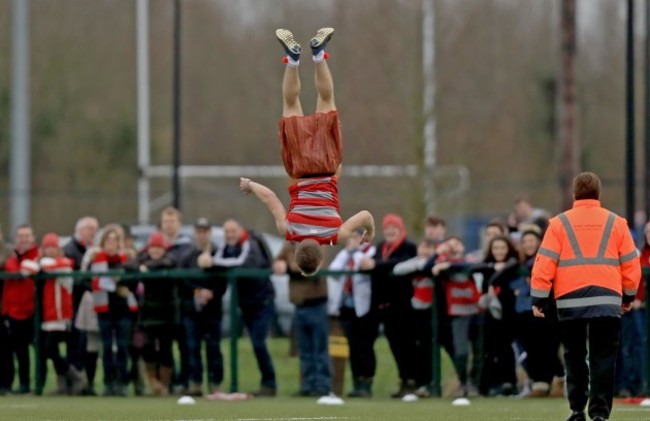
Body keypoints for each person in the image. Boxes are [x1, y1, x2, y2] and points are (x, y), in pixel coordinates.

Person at [240, 27, 375, 276]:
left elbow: (366, 215)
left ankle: (318, 54)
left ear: (321, 258)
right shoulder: (289, 230)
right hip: (299, 168)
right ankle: (293, 60)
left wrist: (370, 232)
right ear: (296, 251)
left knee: (326, 100)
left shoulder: (338, 234)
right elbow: (270, 197)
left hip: (328, 165)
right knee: (291, 104)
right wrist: (249, 185)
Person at [531, 172, 641, 421]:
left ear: (574, 194)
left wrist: (538, 298)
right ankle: (600, 413)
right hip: (607, 298)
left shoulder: (559, 224)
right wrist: (628, 295)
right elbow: (630, 264)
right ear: (598, 194)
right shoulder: (617, 223)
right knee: (604, 357)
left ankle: (577, 409)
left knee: (574, 356)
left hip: (571, 300)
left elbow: (544, 263)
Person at [200, 219, 276, 396]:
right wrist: (206, 259)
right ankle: (265, 383)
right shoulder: (226, 247)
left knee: (259, 342)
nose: (229, 235)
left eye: (232, 231)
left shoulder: (250, 243)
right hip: (245, 303)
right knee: (250, 342)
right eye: (226, 232)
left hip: (263, 302)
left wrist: (211, 261)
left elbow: (243, 263)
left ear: (240, 230)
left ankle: (270, 383)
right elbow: (217, 263)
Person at [359, 213, 418, 398]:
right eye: (387, 228)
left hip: (402, 305)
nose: (390, 231)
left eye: (394, 228)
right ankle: (403, 380)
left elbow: (399, 264)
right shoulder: (380, 248)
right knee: (393, 344)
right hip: (382, 305)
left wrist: (375, 265)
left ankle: (412, 381)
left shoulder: (409, 247)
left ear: (401, 230)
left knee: (405, 345)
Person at [275, 241, 331, 397]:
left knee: (319, 348)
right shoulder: (289, 243)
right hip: (299, 304)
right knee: (304, 350)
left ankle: (323, 386)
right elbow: (279, 261)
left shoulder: (318, 242)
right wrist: (280, 263)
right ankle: (308, 385)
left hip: (317, 302)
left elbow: (311, 265)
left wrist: (290, 265)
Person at [179, 218, 228, 397]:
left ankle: (216, 383)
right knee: (193, 347)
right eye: (199, 231)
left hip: (212, 310)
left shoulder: (219, 254)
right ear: (195, 233)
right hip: (192, 311)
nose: (202, 234)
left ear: (209, 233)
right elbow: (183, 280)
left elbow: (223, 280)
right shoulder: (187, 256)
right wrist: (197, 291)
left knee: (213, 348)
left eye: (205, 231)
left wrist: (211, 293)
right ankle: (196, 383)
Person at [127, 232, 178, 396]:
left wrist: (146, 267)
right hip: (147, 313)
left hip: (166, 313)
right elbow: (129, 264)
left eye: (159, 247)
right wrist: (142, 266)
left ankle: (164, 385)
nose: (155, 251)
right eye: (153, 247)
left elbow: (165, 263)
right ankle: (153, 383)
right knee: (146, 347)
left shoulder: (170, 260)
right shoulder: (142, 259)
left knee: (166, 349)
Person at [327, 229, 376, 397]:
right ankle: (357, 383)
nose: (353, 241)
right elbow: (333, 271)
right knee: (352, 347)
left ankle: (367, 383)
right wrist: (348, 251)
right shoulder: (345, 254)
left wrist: (355, 252)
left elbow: (363, 265)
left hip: (364, 308)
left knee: (365, 346)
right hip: (346, 306)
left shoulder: (370, 252)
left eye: (357, 238)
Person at [90, 226, 137, 397]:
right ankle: (109, 382)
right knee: (108, 347)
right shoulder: (96, 260)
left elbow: (134, 280)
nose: (111, 244)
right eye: (108, 240)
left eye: (114, 240)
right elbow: (90, 281)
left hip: (123, 309)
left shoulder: (127, 259)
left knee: (123, 347)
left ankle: (123, 383)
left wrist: (122, 284)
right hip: (105, 309)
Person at [37, 233, 86, 395]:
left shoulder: (64, 263)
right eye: (47, 247)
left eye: (53, 247)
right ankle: (64, 384)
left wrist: (38, 263)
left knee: (51, 350)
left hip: (60, 316)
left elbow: (48, 266)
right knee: (48, 351)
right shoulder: (46, 264)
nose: (50, 250)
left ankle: (76, 376)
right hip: (47, 316)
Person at [392, 238, 439, 397]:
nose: (425, 252)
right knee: (418, 348)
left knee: (429, 348)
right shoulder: (415, 262)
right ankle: (421, 383)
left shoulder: (438, 262)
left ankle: (431, 383)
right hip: (417, 311)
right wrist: (420, 264)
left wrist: (429, 263)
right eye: (423, 247)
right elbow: (398, 269)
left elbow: (432, 268)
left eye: (429, 248)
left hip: (433, 312)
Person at [63, 216, 100, 394]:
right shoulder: (69, 249)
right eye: (89, 229)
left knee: (88, 344)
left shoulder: (94, 250)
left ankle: (86, 382)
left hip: (91, 306)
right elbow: (76, 280)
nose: (93, 233)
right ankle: (72, 381)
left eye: (95, 229)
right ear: (80, 230)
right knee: (75, 343)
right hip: (75, 305)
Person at [158, 207, 193, 393]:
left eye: (172, 221)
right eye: (165, 221)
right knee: (164, 347)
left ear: (179, 224)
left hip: (183, 304)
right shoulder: (155, 246)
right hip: (161, 305)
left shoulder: (187, 247)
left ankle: (185, 381)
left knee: (185, 345)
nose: (169, 225)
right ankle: (167, 383)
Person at [3, 224, 39, 394]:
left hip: (31, 312)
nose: (23, 239)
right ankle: (7, 385)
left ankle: (26, 384)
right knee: (8, 351)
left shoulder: (37, 257)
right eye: (20, 236)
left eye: (27, 236)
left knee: (25, 351)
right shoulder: (11, 259)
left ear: (32, 238)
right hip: (11, 312)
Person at [614, 222, 649, 398]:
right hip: (624, 306)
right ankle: (625, 383)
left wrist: (635, 299)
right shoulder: (638, 254)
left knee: (634, 345)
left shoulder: (634, 254)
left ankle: (634, 383)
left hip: (633, 307)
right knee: (625, 346)